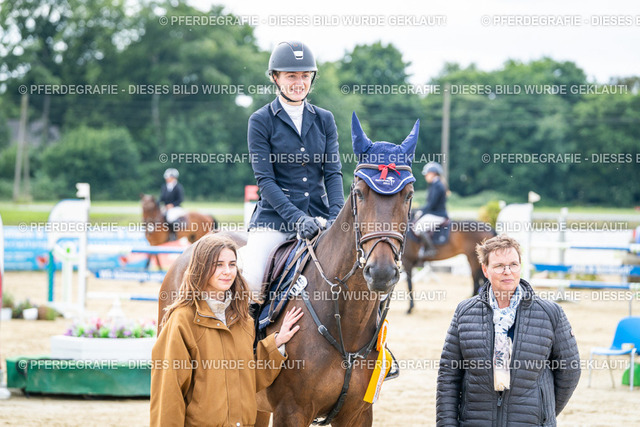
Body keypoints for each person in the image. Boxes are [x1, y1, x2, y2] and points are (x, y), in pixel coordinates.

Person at [150, 234, 304, 426]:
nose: (227, 272)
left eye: (232, 264)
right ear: (201, 267)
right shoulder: (182, 320)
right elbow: (168, 392)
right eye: (219, 265)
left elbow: (247, 379)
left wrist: (276, 343)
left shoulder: (243, 320)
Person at [436, 234, 580, 426]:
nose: (507, 272)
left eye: (513, 264)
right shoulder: (465, 312)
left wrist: (544, 413)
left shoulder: (550, 313)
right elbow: (448, 375)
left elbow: (569, 370)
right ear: (485, 270)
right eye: (499, 266)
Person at [242, 41, 344, 297]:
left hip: (319, 216)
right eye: (291, 76)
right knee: (252, 281)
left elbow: (332, 173)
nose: (299, 82)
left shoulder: (325, 119)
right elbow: (265, 181)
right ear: (275, 78)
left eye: (305, 75)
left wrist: (336, 216)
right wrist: (298, 219)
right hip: (274, 221)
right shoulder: (261, 120)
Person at [413, 161, 448, 258]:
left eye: (427, 174)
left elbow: (431, 204)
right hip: (434, 213)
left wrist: (421, 212)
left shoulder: (437, 185)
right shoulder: (435, 184)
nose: (425, 176)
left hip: (437, 214)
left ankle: (430, 249)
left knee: (418, 227)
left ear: (433, 173)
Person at [160, 168, 186, 239]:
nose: (166, 179)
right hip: (166, 207)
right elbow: (161, 198)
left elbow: (180, 199)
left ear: (173, 177)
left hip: (176, 207)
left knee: (170, 217)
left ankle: (174, 235)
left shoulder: (178, 187)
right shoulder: (164, 187)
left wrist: (172, 205)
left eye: (168, 177)